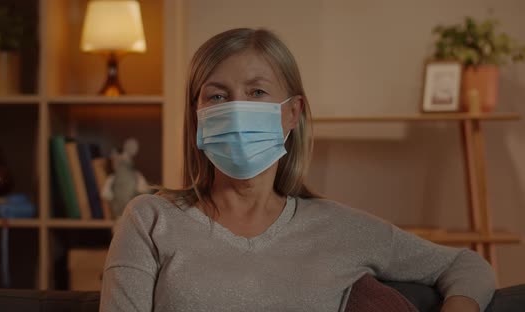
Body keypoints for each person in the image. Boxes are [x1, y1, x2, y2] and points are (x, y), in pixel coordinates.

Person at [99, 28, 495, 312]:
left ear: (292, 113)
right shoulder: (150, 220)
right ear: (198, 116)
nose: (238, 109)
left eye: (256, 92)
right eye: (218, 96)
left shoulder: (341, 229)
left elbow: (466, 265)